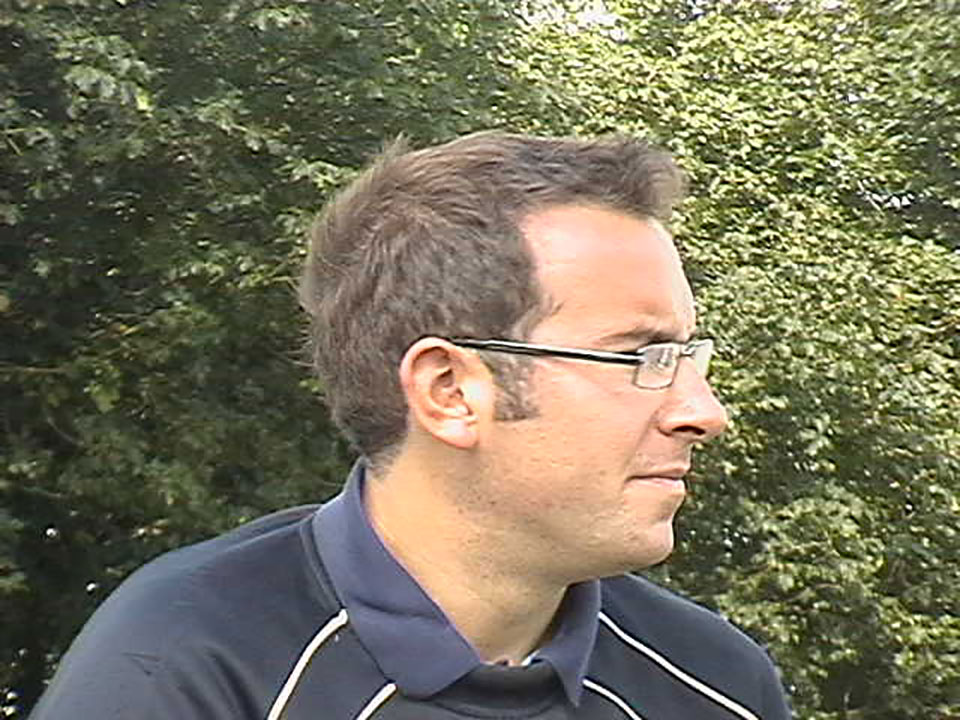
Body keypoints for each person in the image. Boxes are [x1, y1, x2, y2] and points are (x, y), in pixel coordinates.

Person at [30, 132, 792, 719]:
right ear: (449, 391)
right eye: (638, 357)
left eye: (687, 357)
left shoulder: (715, 685)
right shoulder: (185, 666)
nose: (704, 412)